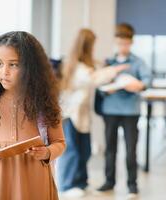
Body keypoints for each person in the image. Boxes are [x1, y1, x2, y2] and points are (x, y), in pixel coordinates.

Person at [0, 31, 66, 200]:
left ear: (31, 67)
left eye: (13, 65)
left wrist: (47, 153)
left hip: (34, 176)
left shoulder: (45, 102)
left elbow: (59, 142)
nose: (4, 71)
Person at [57, 28, 128, 198]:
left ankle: (81, 182)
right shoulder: (73, 65)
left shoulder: (86, 65)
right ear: (86, 45)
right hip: (70, 114)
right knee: (72, 151)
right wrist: (116, 70)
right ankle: (67, 185)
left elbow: (95, 72)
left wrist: (107, 67)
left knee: (85, 150)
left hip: (83, 114)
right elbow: (93, 79)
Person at [96, 23, 152, 197]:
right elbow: (98, 84)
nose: (122, 47)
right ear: (115, 42)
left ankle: (132, 185)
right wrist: (107, 88)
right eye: (119, 43)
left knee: (131, 150)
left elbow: (146, 82)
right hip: (110, 111)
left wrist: (138, 85)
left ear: (131, 43)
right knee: (110, 149)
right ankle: (109, 181)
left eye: (126, 43)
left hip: (131, 112)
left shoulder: (138, 62)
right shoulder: (108, 62)